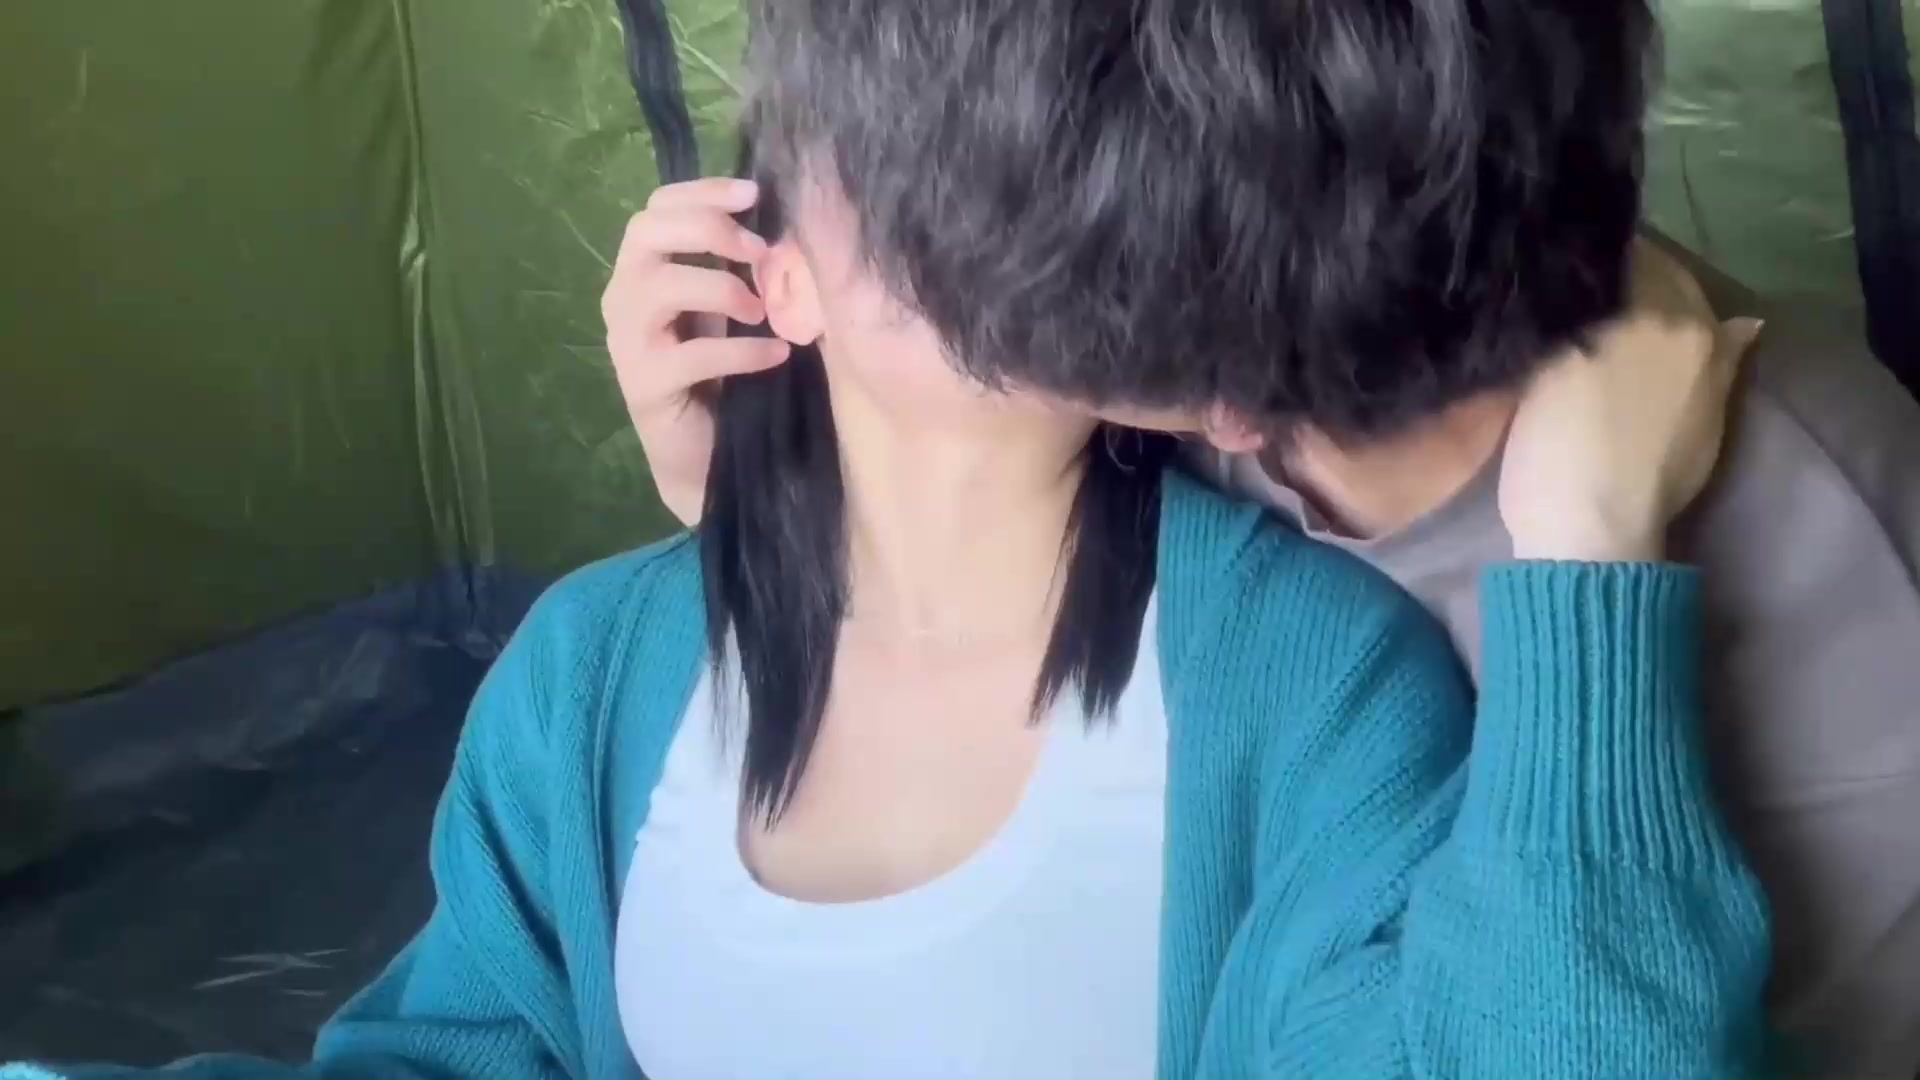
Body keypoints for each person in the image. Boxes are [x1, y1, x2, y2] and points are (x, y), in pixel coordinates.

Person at [3, 2, 1773, 1080]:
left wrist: (1586, 567)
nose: (973, 163)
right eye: (896, 121)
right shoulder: (590, 679)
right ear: (757, 261)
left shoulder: (1304, 679)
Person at [608, 1, 1920, 1077]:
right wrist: (755, 493)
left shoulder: (1835, 562)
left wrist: (1589, 563)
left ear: (1221, 409)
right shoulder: (1165, 331)